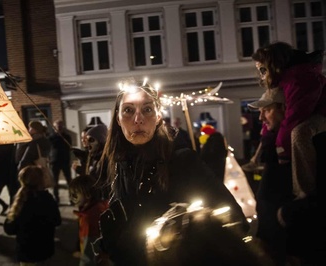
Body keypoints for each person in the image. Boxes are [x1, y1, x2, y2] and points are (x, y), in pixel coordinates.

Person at [92, 79, 250, 265]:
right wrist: (111, 243)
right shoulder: (120, 164)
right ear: (118, 119)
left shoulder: (182, 161)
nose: (138, 119)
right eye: (128, 110)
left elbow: (234, 218)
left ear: (158, 116)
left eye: (147, 109)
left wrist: (180, 234)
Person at [252, 42, 326, 198]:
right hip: (316, 112)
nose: (261, 75)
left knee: (300, 133)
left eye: (262, 70)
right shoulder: (286, 79)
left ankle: (305, 191)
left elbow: (294, 116)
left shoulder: (299, 79)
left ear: (273, 65)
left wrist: (282, 150)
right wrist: (267, 138)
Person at [248, 89, 295, 265]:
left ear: (284, 108)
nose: (260, 118)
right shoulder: (274, 138)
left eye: (266, 110)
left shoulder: (292, 139)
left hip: (286, 233)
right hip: (271, 228)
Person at [3, 165, 62, 265]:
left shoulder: (21, 202)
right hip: (44, 250)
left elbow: (9, 228)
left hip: (26, 253)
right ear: (41, 181)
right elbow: (57, 221)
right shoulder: (47, 199)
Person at [69, 175, 109, 266]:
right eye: (70, 194)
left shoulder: (88, 219)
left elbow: (89, 251)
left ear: (88, 195)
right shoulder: (100, 207)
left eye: (75, 194)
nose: (71, 197)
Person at [48, 119, 72, 204]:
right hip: (54, 161)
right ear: (54, 127)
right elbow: (51, 146)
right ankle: (56, 198)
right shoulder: (51, 137)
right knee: (55, 181)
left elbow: (69, 146)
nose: (59, 127)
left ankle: (71, 198)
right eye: (58, 126)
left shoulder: (67, 136)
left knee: (69, 181)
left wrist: (62, 136)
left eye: (61, 126)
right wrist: (57, 135)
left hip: (65, 160)